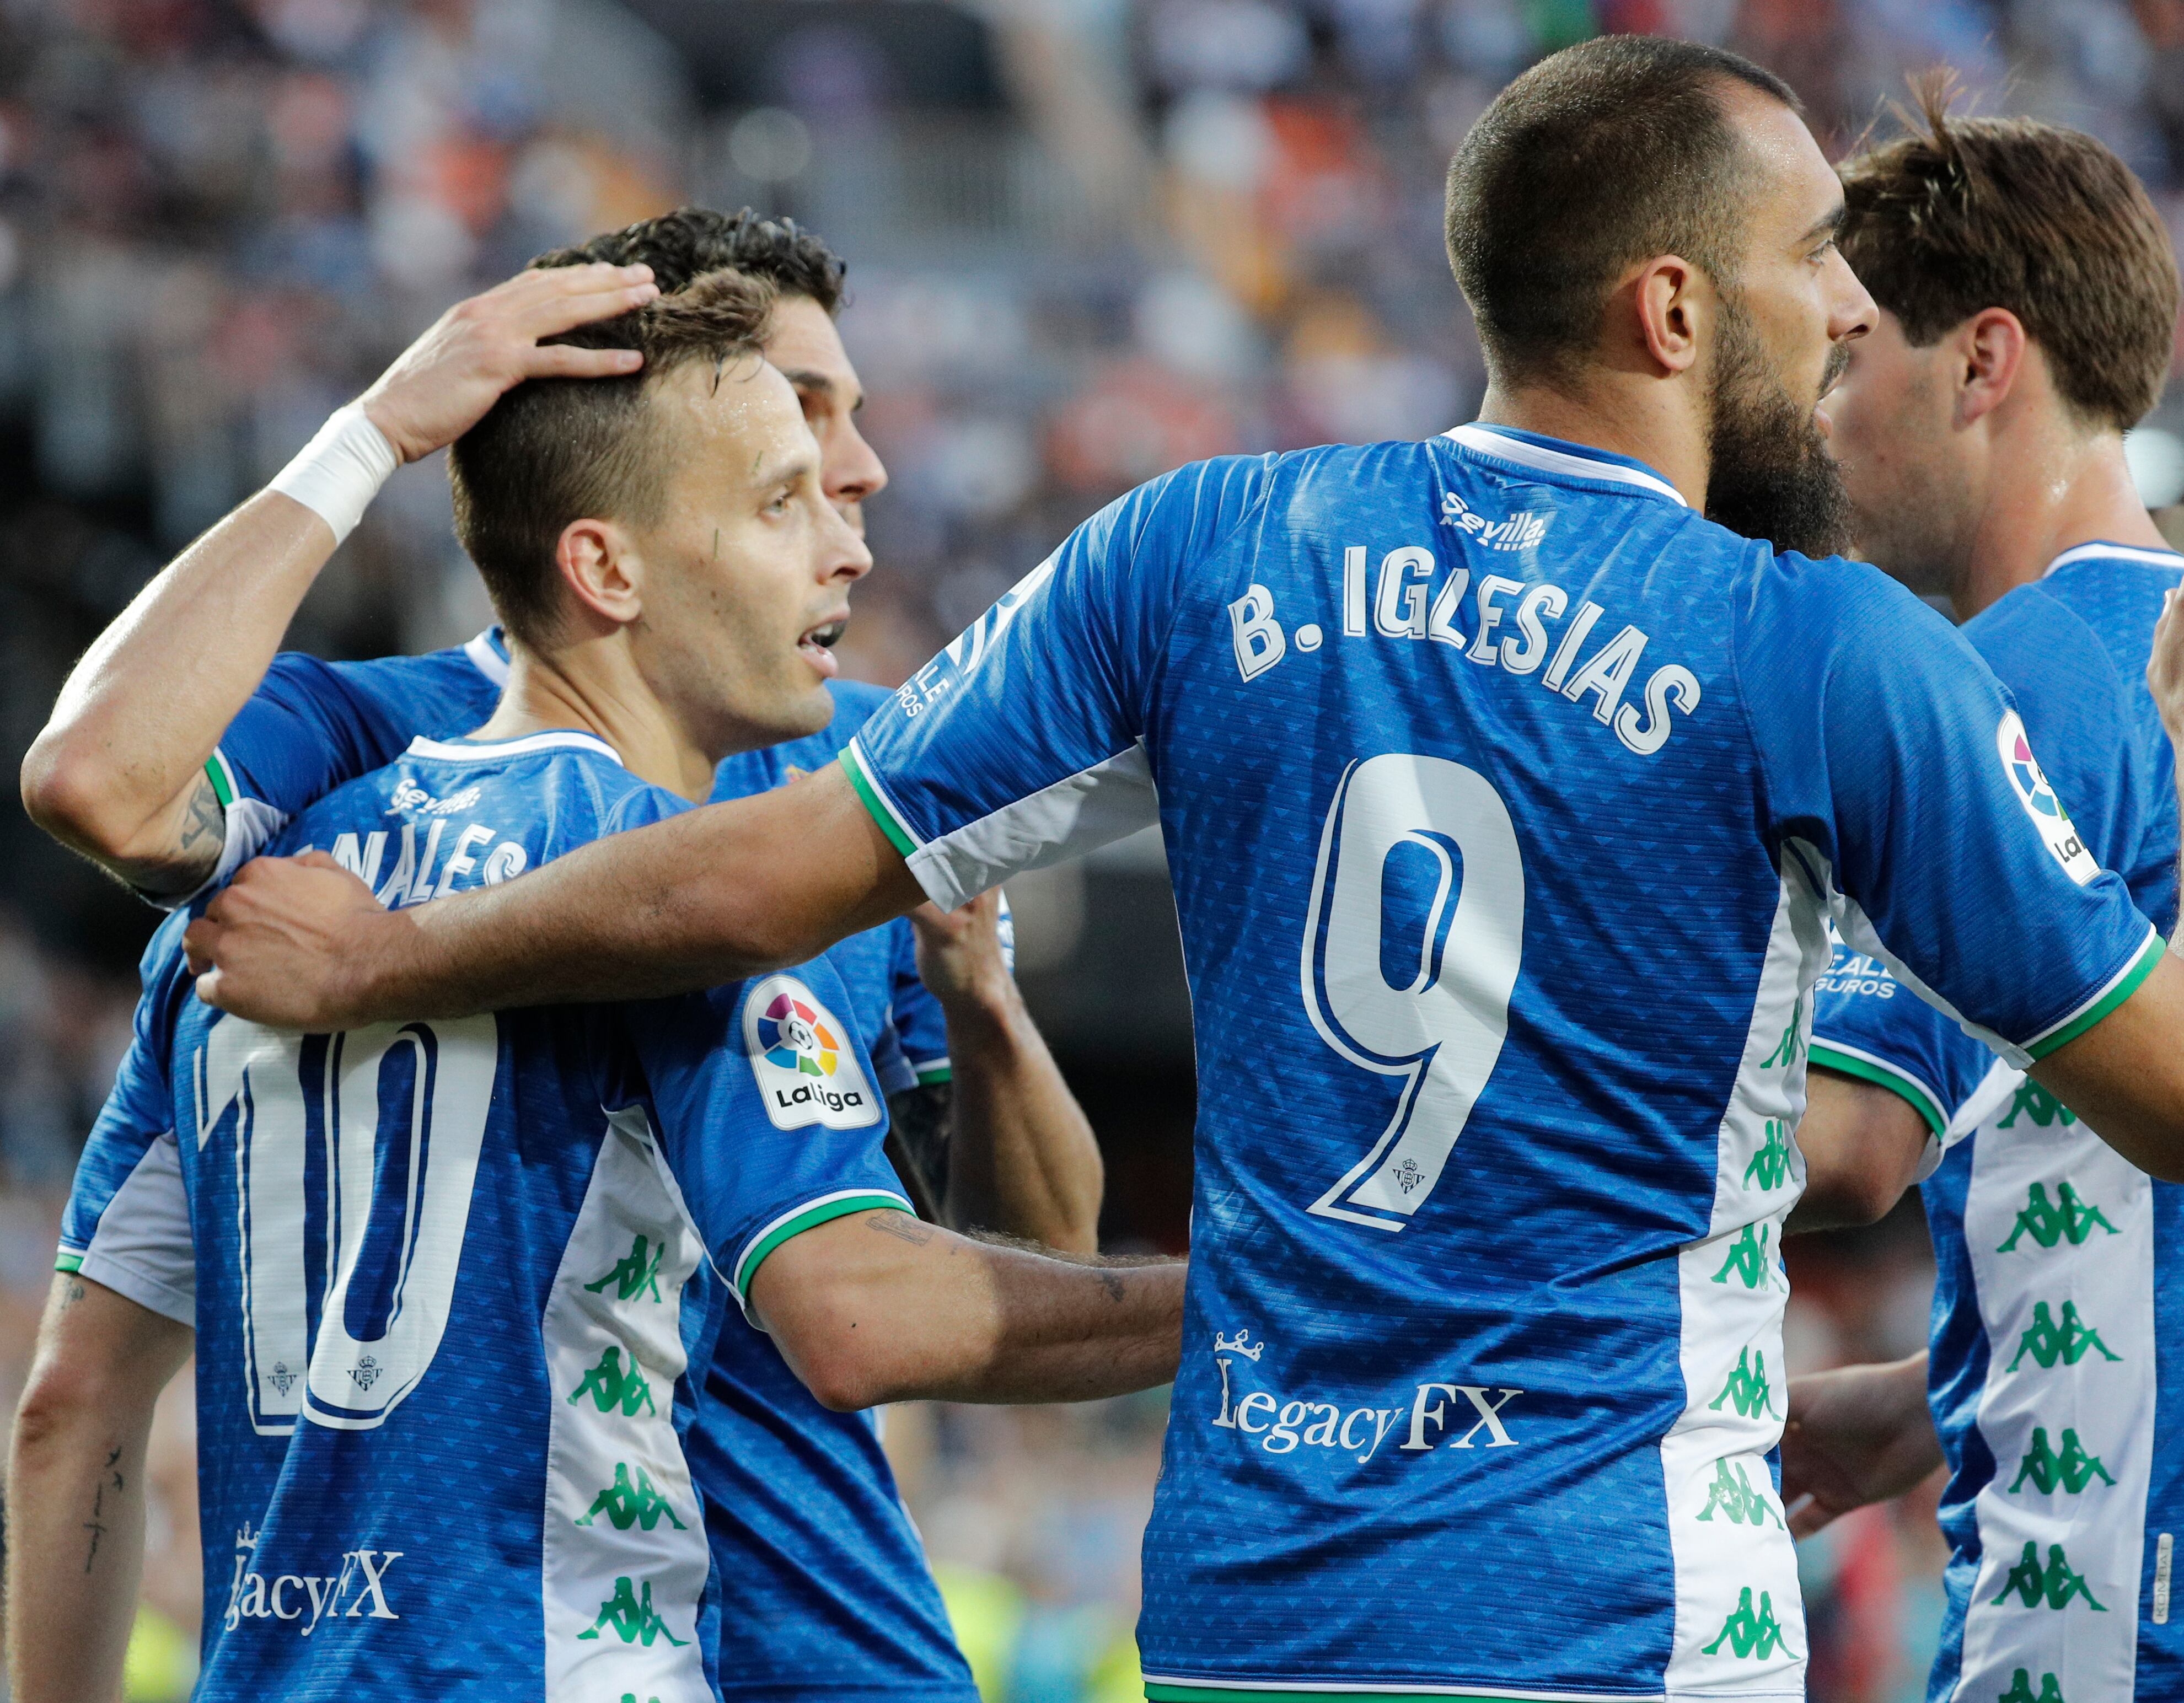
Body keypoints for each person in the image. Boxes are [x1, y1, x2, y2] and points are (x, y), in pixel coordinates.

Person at [183, 36, 2184, 1701]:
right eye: (1815, 264)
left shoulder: (1194, 543)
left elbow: (765, 873)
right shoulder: (1821, 649)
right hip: (1614, 1614)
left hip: (1245, 1611)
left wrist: (388, 959)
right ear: (1669, 308)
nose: (1845, 312)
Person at [13, 267, 1183, 1703]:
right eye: (791, 461)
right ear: (606, 558)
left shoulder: (254, 904)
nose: (855, 503)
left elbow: (69, 1406)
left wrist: (979, 996)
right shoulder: (658, 852)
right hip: (648, 1657)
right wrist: (1292, 1294)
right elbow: (858, 1308)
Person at [1755, 91, 2184, 1703]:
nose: (1812, 419)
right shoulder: (2157, 649)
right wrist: (1933, 1394)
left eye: (1845, 358)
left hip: (2092, 1618)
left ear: (1983, 362)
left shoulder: (2006, 679)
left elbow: (1844, 1138)